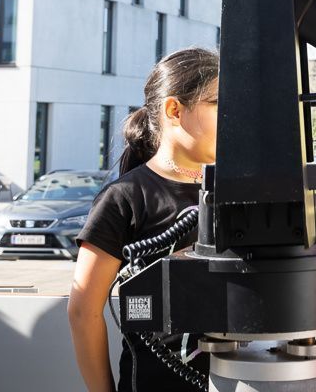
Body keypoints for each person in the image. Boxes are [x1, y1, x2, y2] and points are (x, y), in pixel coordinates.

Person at [67, 47, 219, 392]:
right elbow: (83, 312)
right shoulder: (124, 198)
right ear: (174, 109)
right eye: (217, 103)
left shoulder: (238, 190)